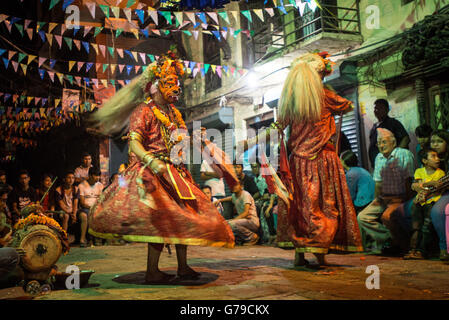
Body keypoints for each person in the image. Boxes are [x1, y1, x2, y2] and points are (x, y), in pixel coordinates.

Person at [88, 49, 236, 283]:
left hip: (177, 173)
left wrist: (197, 140)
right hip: (153, 173)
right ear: (155, 87)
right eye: (170, 83)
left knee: (184, 217)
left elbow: (180, 141)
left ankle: (183, 267)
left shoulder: (175, 113)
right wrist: (153, 163)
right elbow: (134, 143)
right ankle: (152, 270)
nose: (176, 88)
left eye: (177, 84)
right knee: (161, 220)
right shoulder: (143, 111)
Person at [243, 52, 363, 266]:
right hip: (322, 160)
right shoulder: (325, 96)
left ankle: (300, 255)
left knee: (299, 207)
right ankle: (320, 255)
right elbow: (348, 106)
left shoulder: (291, 101)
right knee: (323, 206)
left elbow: (276, 128)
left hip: (297, 163)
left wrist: (249, 143)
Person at [358, 128, 415, 255]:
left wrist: (406, 200)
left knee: (387, 216)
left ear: (393, 143)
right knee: (362, 217)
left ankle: (400, 244)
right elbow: (378, 183)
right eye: (379, 143)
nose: (381, 146)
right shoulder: (379, 157)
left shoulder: (403, 154)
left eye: (384, 142)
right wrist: (375, 201)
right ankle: (390, 239)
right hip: (384, 198)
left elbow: (408, 180)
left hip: (400, 197)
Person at [404, 148, 444, 259]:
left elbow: (437, 186)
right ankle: (413, 250)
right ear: (424, 161)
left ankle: (422, 251)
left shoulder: (440, 173)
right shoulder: (419, 171)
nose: (437, 159)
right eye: (433, 156)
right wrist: (429, 183)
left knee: (426, 227)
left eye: (437, 156)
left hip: (432, 202)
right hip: (419, 203)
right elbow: (416, 186)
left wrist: (423, 186)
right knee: (416, 227)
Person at [368, 99, 410, 168]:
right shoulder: (374, 127)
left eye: (380, 108)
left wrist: (395, 155)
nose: (377, 110)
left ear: (387, 110)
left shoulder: (393, 123)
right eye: (375, 108)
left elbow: (405, 139)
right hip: (378, 165)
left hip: (392, 165)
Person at [428, 130, 449, 261]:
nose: (435, 144)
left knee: (437, 211)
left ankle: (444, 248)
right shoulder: (429, 157)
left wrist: (434, 185)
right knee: (402, 212)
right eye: (433, 141)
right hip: (434, 191)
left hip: (446, 191)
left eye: (440, 141)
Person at [250, 162, 277, 244]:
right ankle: (259, 236)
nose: (254, 169)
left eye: (256, 167)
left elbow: (272, 192)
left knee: (265, 209)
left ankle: (270, 235)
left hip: (272, 199)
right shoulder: (254, 179)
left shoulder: (266, 178)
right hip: (262, 199)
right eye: (252, 167)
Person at [78, 167, 104, 247]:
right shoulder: (82, 185)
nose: (97, 178)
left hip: (97, 208)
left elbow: (102, 200)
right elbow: (82, 202)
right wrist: (91, 208)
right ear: (90, 175)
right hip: (85, 209)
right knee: (84, 216)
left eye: (98, 176)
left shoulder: (100, 186)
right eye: (95, 176)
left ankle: (98, 238)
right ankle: (82, 239)